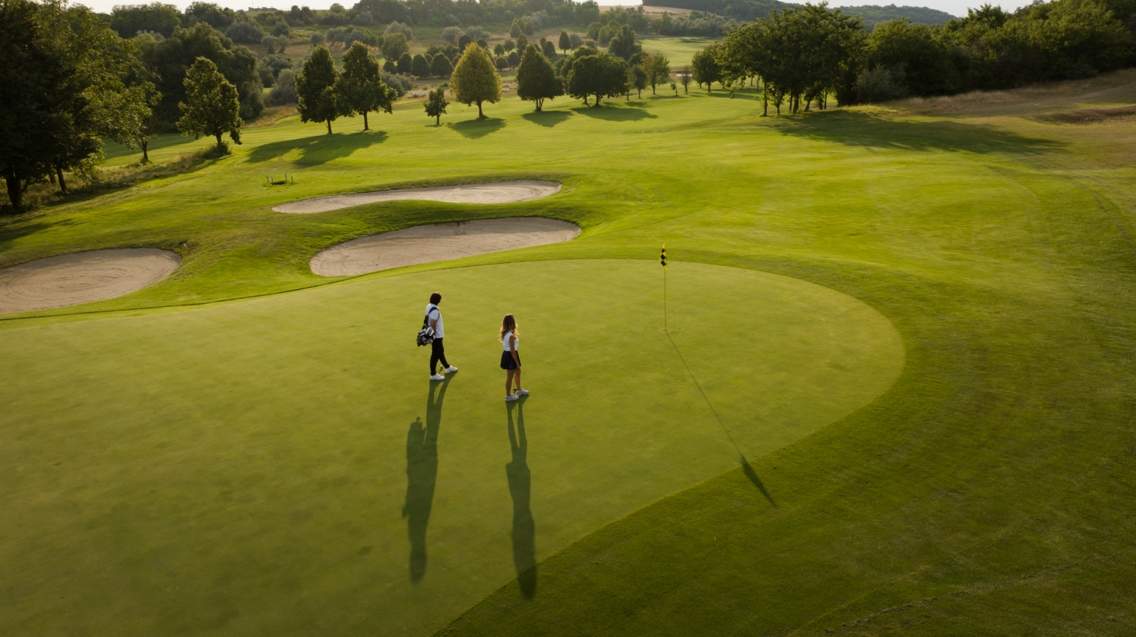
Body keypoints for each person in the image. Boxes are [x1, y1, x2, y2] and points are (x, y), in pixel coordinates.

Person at [426, 292, 457, 381]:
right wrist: (434, 336)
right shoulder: (435, 311)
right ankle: (433, 374)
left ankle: (447, 367)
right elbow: (432, 324)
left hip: (435, 335)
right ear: (438, 301)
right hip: (436, 336)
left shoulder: (428, 306)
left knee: (440, 351)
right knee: (435, 354)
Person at [499, 314, 528, 401]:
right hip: (511, 356)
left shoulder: (505, 333)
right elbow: (512, 351)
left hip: (508, 354)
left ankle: (518, 390)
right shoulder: (511, 336)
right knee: (510, 376)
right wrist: (517, 363)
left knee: (518, 371)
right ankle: (508, 396)